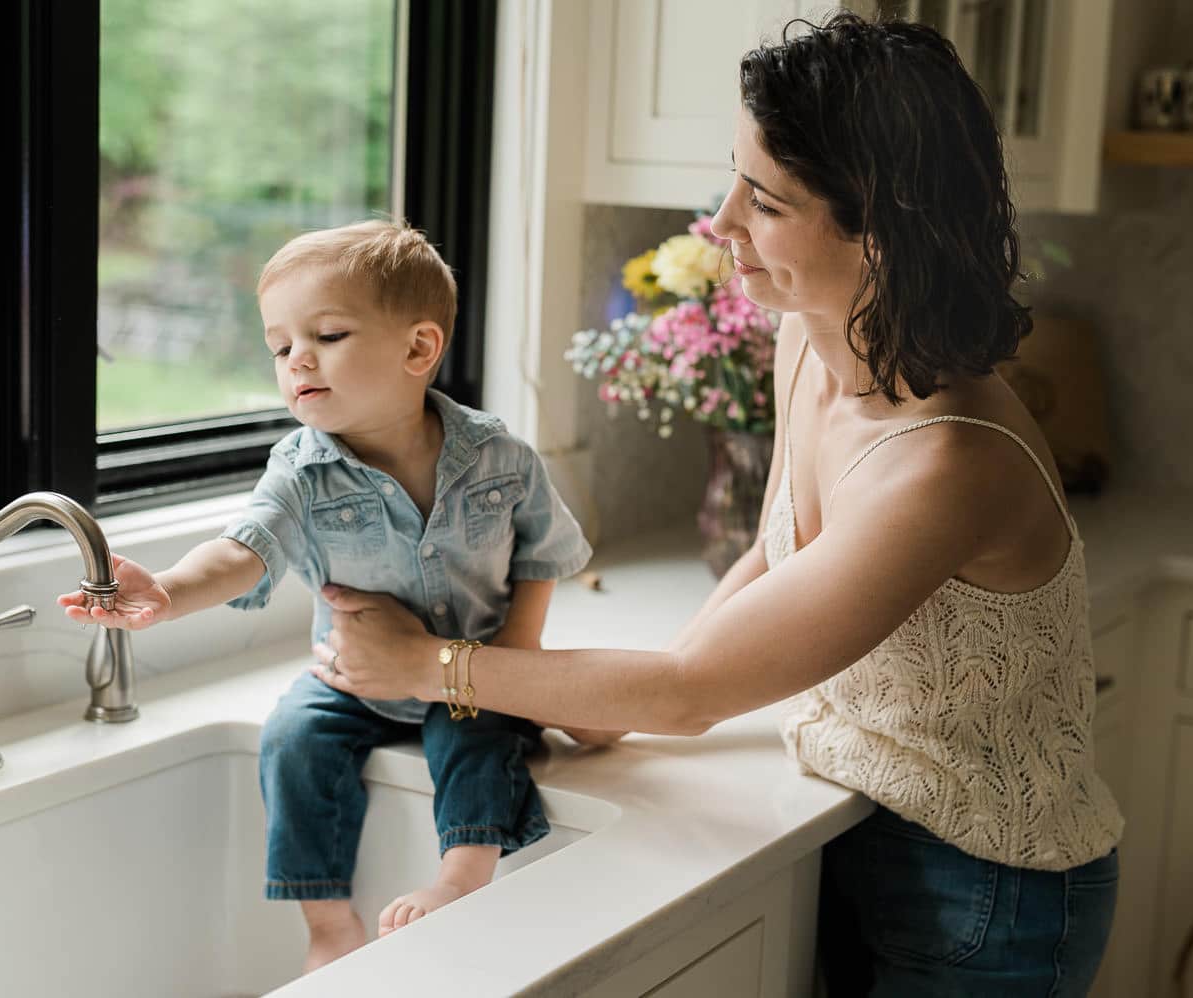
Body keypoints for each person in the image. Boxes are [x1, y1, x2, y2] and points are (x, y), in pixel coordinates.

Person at [307, 13, 1124, 996]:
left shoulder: (947, 460)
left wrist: (427, 663)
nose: (723, 221)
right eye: (734, 176)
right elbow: (783, 559)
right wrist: (618, 706)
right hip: (866, 822)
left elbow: (691, 690)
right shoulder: (810, 340)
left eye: (768, 201)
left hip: (991, 890)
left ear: (886, 223)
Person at [59, 219, 614, 973]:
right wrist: (165, 589)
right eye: (281, 347)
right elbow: (242, 548)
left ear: (419, 349)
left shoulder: (499, 456)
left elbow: (543, 555)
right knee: (292, 735)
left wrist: (519, 655)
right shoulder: (300, 469)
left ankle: (462, 877)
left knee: (475, 736)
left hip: (469, 673)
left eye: (327, 334)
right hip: (351, 681)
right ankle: (326, 921)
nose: (298, 361)